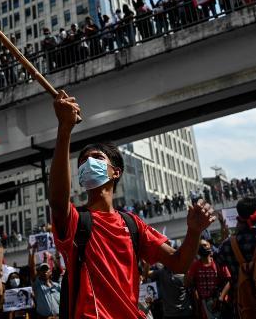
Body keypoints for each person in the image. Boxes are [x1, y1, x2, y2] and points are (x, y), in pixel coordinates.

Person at [49, 90, 215, 319]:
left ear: (115, 172)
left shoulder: (133, 224)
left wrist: (194, 232)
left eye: (96, 158)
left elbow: (178, 263)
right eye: (82, 162)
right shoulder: (76, 221)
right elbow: (58, 203)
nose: (87, 164)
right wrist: (64, 129)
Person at [186, 239, 230, 319]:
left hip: (220, 302)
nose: (202, 248)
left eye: (204, 245)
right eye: (199, 246)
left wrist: (220, 298)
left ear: (210, 246)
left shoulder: (218, 262)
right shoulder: (194, 266)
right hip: (205, 305)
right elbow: (189, 284)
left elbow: (228, 281)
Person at [29, 243, 61, 319]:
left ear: (50, 272)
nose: (44, 272)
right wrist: (33, 251)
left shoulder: (57, 286)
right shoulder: (38, 285)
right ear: (39, 273)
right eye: (42, 270)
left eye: (46, 270)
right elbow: (32, 268)